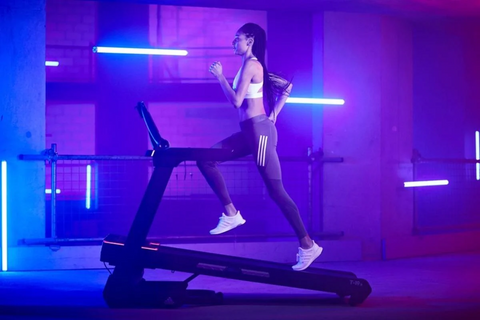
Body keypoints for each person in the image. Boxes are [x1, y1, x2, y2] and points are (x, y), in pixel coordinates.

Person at [197, 23, 322, 271]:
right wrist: (274, 114)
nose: (233, 43)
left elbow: (236, 101)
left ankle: (308, 245)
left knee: (276, 192)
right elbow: (287, 87)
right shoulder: (255, 67)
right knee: (206, 159)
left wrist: (220, 76)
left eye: (237, 39)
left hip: (260, 133)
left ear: (250, 40)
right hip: (249, 132)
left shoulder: (252, 65)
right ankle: (232, 214)